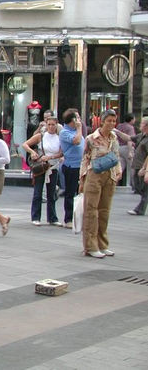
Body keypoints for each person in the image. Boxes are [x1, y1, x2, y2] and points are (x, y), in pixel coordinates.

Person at [80, 109, 122, 258]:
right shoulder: (91, 138)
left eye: (113, 120)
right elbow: (85, 158)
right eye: (109, 120)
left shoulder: (114, 138)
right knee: (91, 210)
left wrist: (118, 170)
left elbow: (116, 156)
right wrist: (82, 178)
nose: (111, 123)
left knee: (105, 210)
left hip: (110, 175)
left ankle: (102, 244)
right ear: (102, 121)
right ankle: (90, 246)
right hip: (94, 174)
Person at [22, 116, 64, 226]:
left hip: (53, 166)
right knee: (38, 192)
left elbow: (61, 153)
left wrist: (50, 157)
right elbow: (25, 144)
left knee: (51, 194)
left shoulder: (59, 138)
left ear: (57, 125)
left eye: (53, 125)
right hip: (41, 166)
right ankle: (35, 217)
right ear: (46, 125)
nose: (51, 127)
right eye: (49, 124)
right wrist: (32, 152)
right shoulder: (41, 136)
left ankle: (52, 218)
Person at [59, 108, 85, 228]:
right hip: (71, 166)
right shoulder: (65, 132)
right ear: (72, 120)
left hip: (81, 166)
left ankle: (79, 217)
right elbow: (77, 141)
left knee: (80, 192)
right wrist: (79, 128)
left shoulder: (76, 131)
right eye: (77, 118)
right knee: (70, 193)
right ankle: (68, 218)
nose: (79, 120)